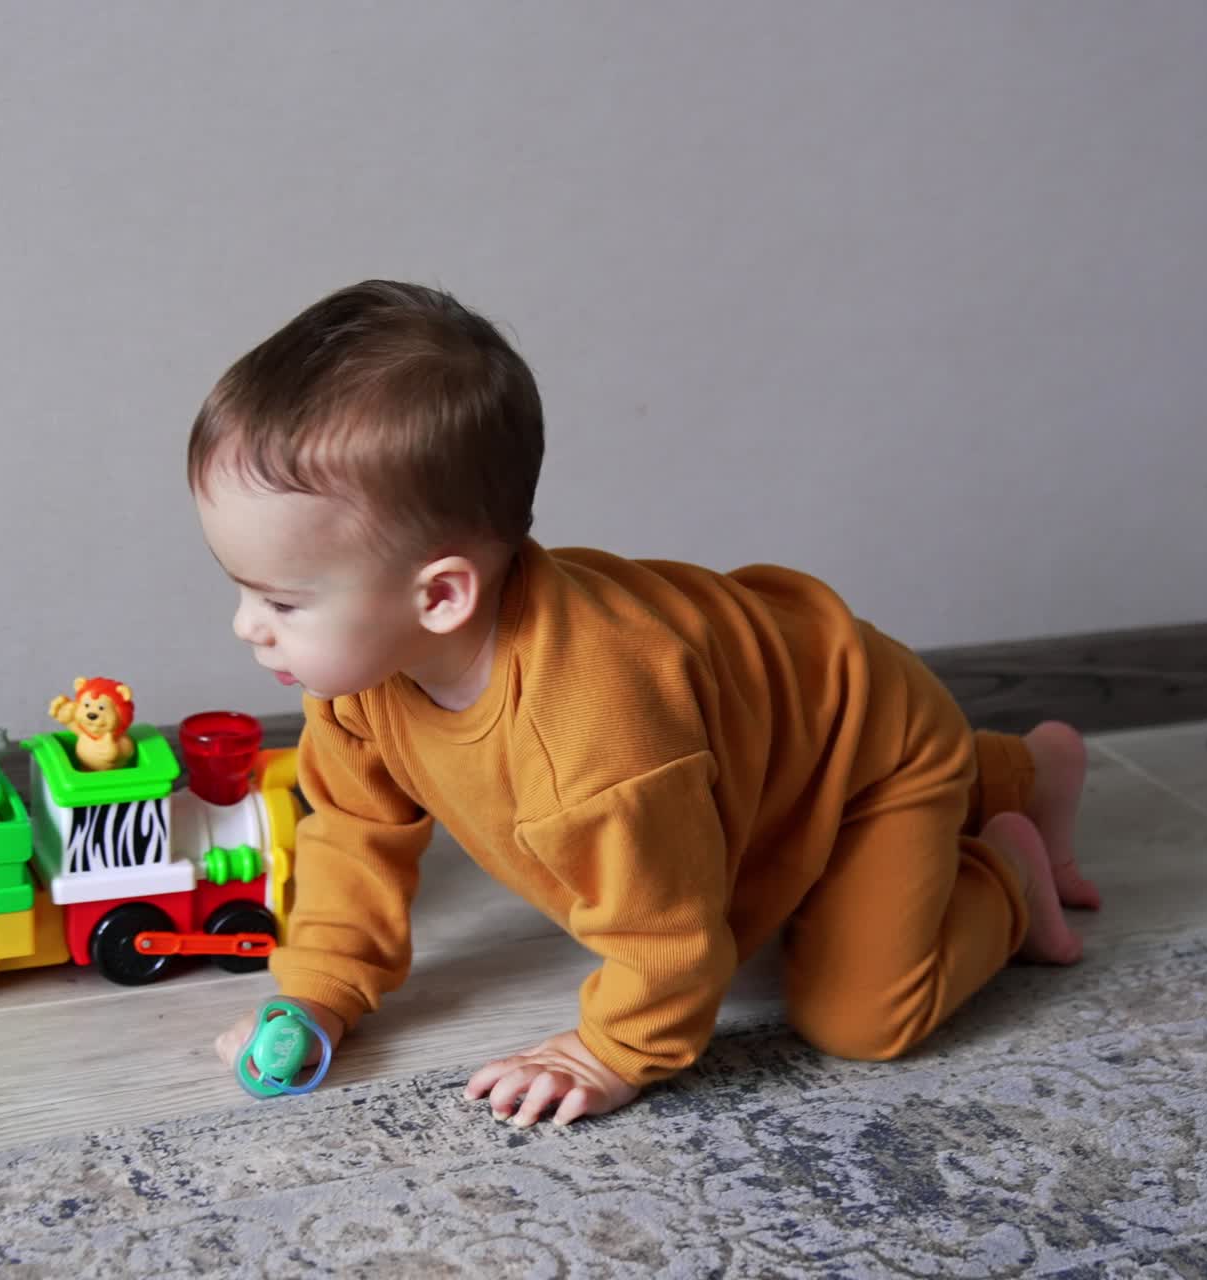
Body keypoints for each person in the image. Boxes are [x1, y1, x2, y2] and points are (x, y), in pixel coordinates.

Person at [189, 280, 1101, 1128]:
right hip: (763, 735)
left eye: (281, 602)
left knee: (860, 1019)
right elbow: (353, 835)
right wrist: (317, 989)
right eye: (245, 592)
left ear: (440, 597)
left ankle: (1007, 873)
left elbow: (670, 935)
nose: (247, 628)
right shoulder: (360, 684)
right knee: (735, 852)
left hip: (867, 748)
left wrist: (613, 1050)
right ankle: (1023, 769)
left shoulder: (593, 735)